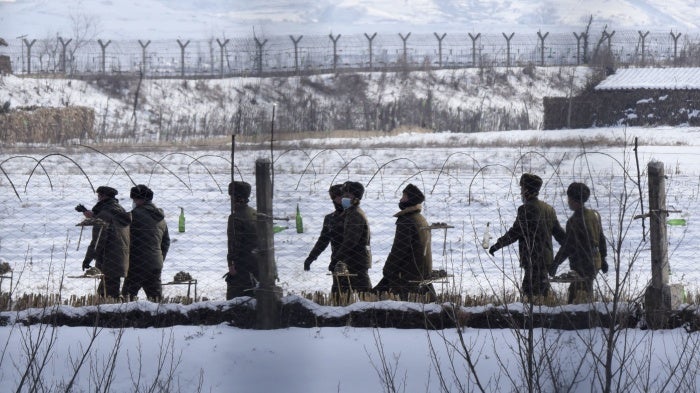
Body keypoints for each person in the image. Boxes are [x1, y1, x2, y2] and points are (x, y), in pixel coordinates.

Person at [488, 173, 566, 300]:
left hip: (532, 259)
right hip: (546, 259)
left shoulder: (525, 209)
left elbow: (515, 232)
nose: (520, 192)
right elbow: (561, 236)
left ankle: (535, 318)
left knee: (530, 293)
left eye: (522, 189)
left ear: (526, 190)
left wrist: (497, 245)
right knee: (542, 293)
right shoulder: (549, 209)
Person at [373, 184, 435, 302]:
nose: (401, 200)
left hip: (407, 274)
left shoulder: (406, 220)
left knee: (403, 307)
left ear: (411, 199)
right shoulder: (420, 218)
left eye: (404, 197)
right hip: (421, 272)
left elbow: (400, 248)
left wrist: (388, 269)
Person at [550, 182, 608, 304]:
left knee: (577, 298)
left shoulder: (574, 221)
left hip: (582, 265)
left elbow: (567, 246)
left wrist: (555, 263)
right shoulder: (594, 215)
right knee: (583, 292)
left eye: (569, 198)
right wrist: (603, 258)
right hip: (595, 262)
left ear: (574, 200)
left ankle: (580, 319)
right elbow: (601, 238)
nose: (568, 201)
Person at [80, 186, 131, 299]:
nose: (98, 199)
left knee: (108, 296)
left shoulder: (104, 214)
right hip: (121, 257)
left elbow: (98, 240)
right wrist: (94, 217)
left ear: (102, 196)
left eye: (99, 196)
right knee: (108, 291)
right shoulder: (120, 211)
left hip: (108, 259)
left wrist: (88, 258)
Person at [121, 185, 170, 301]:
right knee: (156, 299)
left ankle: (127, 319)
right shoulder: (161, 218)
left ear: (139, 200)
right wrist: (158, 258)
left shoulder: (134, 215)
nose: (133, 202)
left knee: (127, 298)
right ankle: (158, 318)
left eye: (134, 199)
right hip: (155, 263)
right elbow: (166, 242)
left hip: (137, 262)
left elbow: (124, 237)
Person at [331, 181, 372, 300]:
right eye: (343, 195)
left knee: (364, 295)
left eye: (348, 196)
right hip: (353, 260)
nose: (344, 198)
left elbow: (350, 241)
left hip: (356, 261)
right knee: (346, 293)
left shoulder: (355, 214)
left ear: (356, 198)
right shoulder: (350, 213)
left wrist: (336, 258)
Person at [225, 181, 259, 300]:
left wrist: (231, 264)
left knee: (235, 301)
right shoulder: (255, 213)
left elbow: (234, 243)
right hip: (257, 263)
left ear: (235, 198)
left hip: (242, 265)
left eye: (231, 196)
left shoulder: (235, 217)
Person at [303, 184, 344, 271]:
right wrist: (311, 258)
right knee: (337, 285)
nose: (335, 199)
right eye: (333, 196)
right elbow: (323, 240)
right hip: (337, 263)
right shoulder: (330, 218)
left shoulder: (355, 216)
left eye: (339, 195)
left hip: (355, 262)